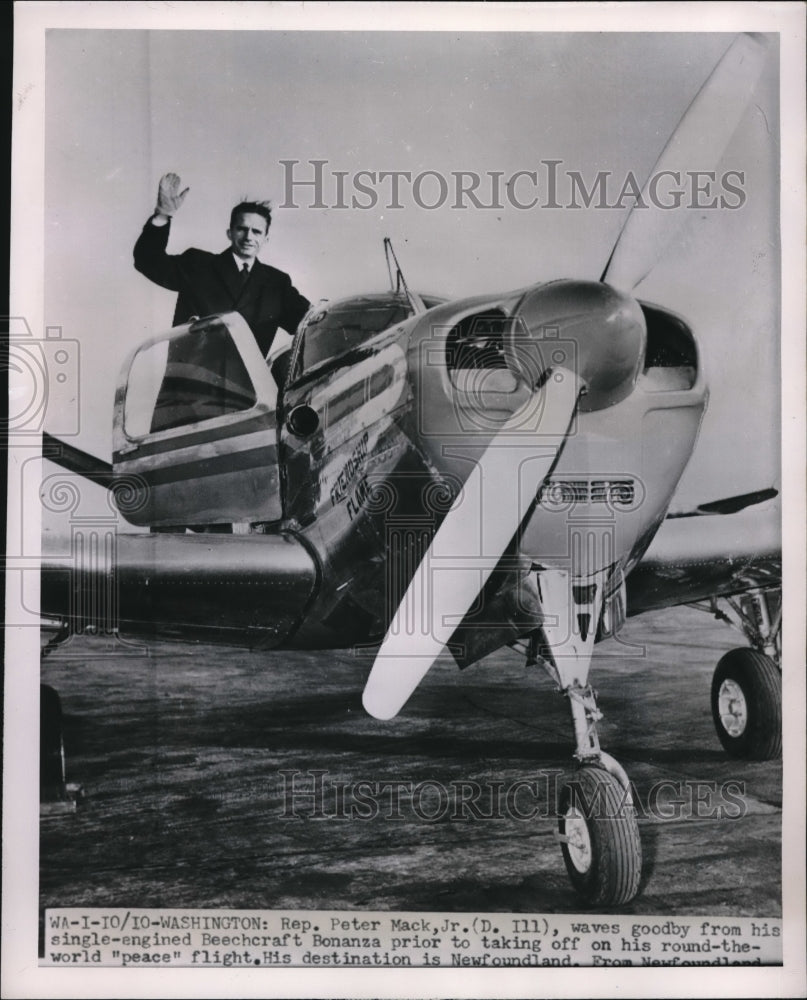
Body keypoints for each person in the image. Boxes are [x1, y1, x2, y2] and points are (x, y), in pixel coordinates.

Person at [134, 173, 310, 357]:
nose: (249, 237)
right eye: (242, 229)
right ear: (230, 233)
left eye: (256, 232)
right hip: (190, 381)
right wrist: (162, 215)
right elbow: (147, 260)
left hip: (246, 385)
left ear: (266, 239)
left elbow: (310, 322)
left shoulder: (277, 284)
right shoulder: (197, 264)